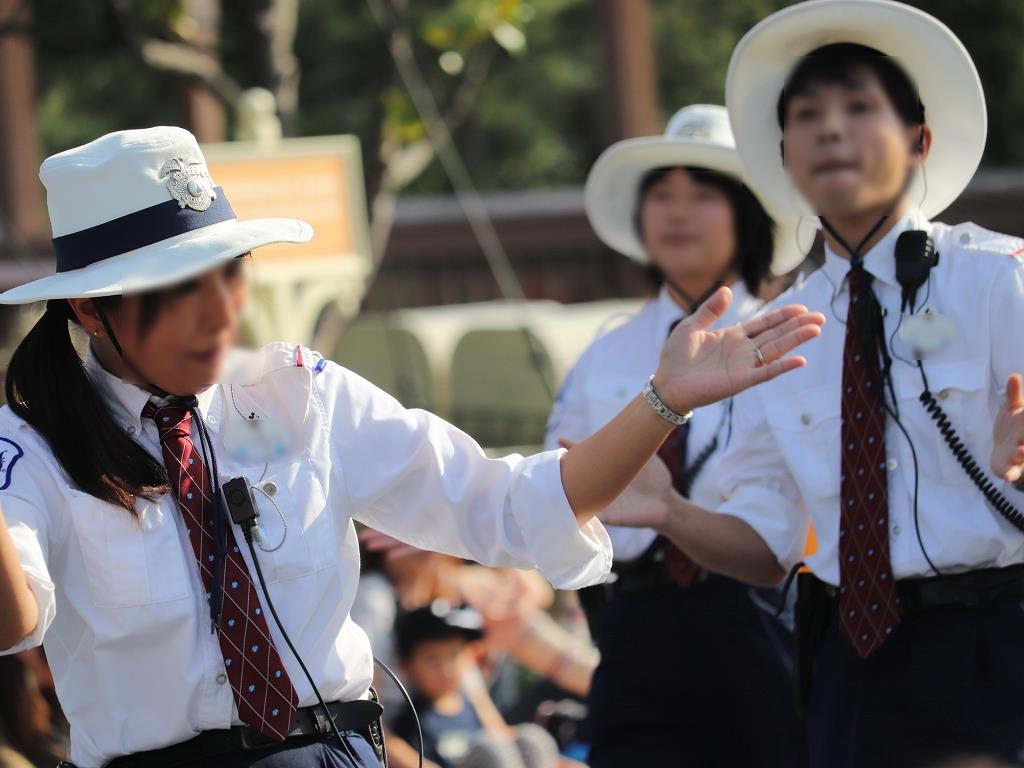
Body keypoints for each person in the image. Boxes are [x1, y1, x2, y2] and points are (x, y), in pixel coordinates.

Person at [0, 126, 823, 768]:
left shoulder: (295, 391)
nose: (216, 311)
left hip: (332, 754)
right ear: (90, 312)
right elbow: (17, 617)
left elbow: (505, 505)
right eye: (175, 289)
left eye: (227, 272)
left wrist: (663, 400)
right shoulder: (31, 442)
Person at [603, 2, 1024, 766]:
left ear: (919, 141)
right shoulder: (777, 331)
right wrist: (667, 512)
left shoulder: (1000, 283)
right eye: (806, 115)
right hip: (845, 670)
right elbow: (766, 552)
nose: (830, 129)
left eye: (860, 108)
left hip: (996, 652)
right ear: (785, 155)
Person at [545, 103, 806, 768]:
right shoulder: (603, 354)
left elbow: (776, 540)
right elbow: (560, 499)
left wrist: (670, 511)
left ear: (747, 212)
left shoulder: (791, 340)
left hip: (761, 625)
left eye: (704, 193)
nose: (678, 212)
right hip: (632, 631)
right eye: (661, 194)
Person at [393, 602, 566, 768]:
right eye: (433, 660)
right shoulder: (412, 719)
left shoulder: (472, 708)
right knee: (490, 751)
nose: (446, 669)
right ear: (407, 667)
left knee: (532, 740)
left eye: (454, 656)